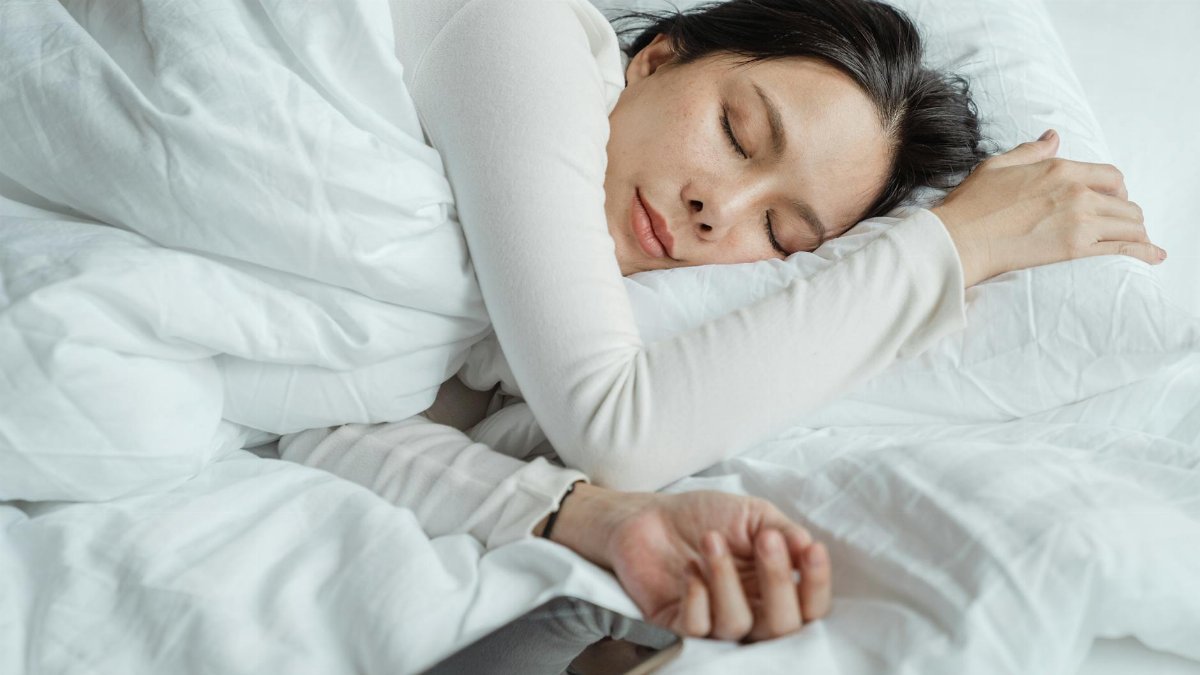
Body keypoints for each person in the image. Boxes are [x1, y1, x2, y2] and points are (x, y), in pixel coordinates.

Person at [282, 0, 1163, 646]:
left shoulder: (491, 325)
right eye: (739, 133)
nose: (718, 208)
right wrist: (953, 246)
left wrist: (596, 523)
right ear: (657, 60)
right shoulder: (517, 32)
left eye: (779, 234)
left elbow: (317, 431)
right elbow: (618, 426)